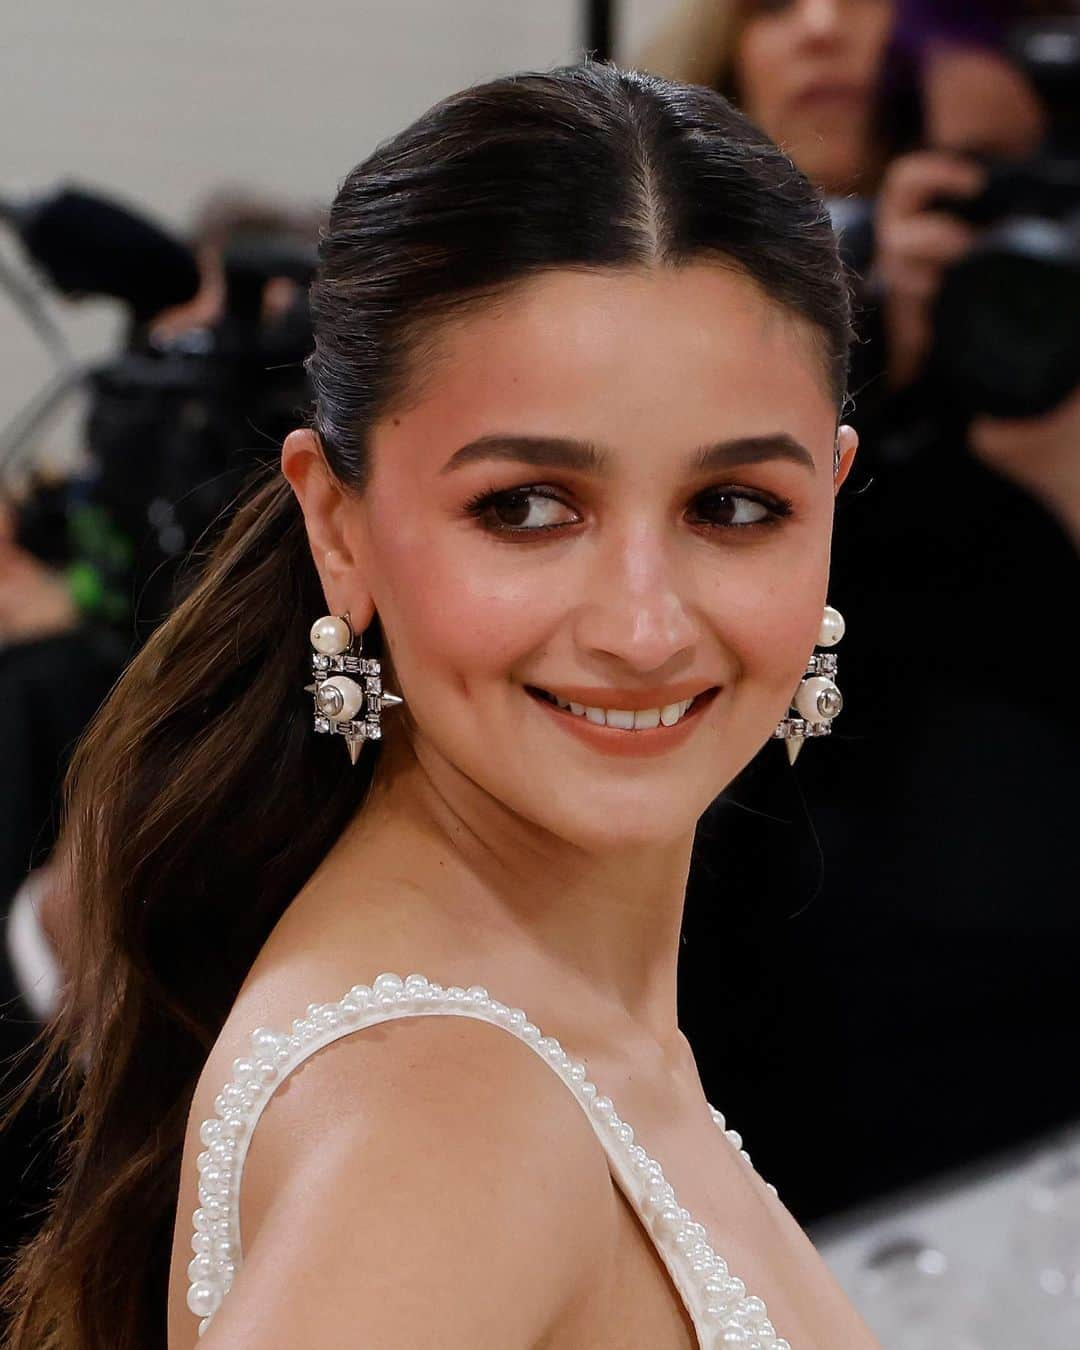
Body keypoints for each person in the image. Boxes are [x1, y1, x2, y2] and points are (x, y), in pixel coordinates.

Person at [0, 63, 881, 1349]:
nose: (642, 625)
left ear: (831, 503)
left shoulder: (524, 1043)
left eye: (733, 508)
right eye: (526, 509)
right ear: (337, 524)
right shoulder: (448, 1117)